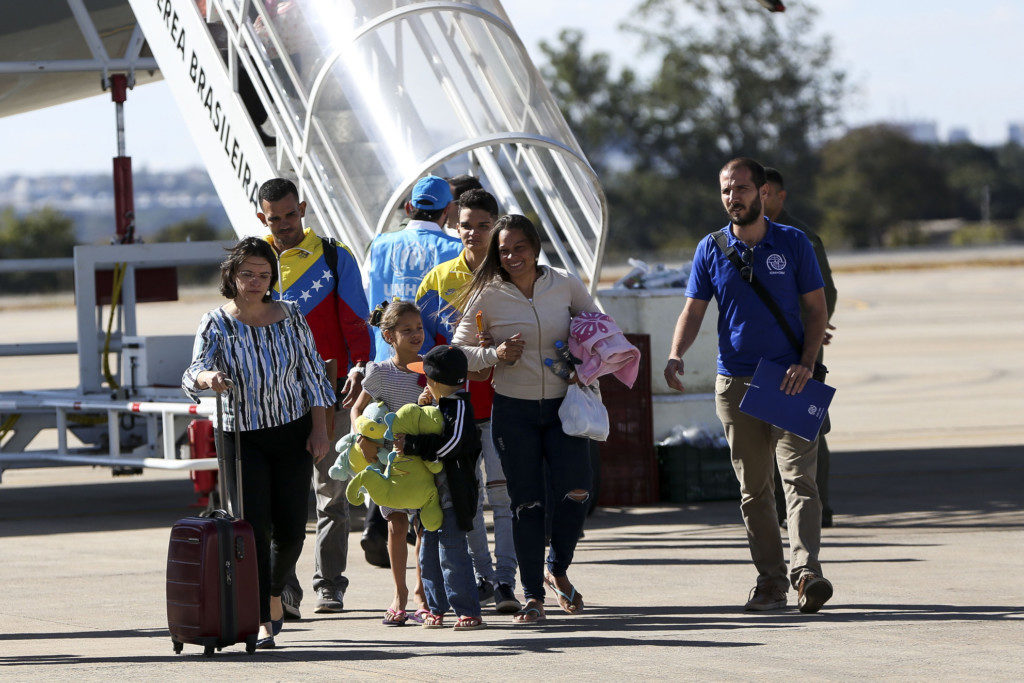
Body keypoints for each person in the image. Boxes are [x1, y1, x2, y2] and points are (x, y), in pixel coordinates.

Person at [663, 157, 833, 614]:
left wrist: (806, 362)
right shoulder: (710, 248)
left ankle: (806, 574)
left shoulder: (793, 243)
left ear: (761, 192)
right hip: (735, 382)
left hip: (789, 380)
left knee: (799, 479)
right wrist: (677, 352)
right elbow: (694, 310)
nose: (732, 197)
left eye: (740, 188)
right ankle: (770, 581)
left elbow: (817, 311)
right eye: (725, 190)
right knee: (754, 490)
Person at [182, 237, 335, 648]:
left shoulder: (291, 314)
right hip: (241, 435)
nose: (255, 282)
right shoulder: (216, 321)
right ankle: (261, 613)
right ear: (231, 275)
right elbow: (195, 368)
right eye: (247, 273)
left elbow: (314, 376)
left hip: (292, 430)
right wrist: (207, 378)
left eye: (264, 275)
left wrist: (320, 429)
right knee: (254, 528)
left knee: (292, 530)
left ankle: (272, 594)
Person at [451, 214, 600, 624]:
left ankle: (558, 568)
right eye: (504, 250)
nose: (512, 256)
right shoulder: (487, 294)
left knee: (577, 491)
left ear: (535, 247)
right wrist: (494, 355)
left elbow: (600, 329)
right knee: (527, 504)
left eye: (520, 247)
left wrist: (581, 362)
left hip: (563, 408)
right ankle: (533, 595)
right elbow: (455, 352)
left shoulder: (565, 282)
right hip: (513, 411)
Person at [258, 177, 371, 618]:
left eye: (291, 214)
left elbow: (356, 322)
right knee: (278, 501)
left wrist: (360, 367)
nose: (285, 224)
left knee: (332, 496)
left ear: (302, 207)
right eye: (275, 218)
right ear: (262, 219)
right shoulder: (254, 260)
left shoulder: (333, 255)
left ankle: (330, 585)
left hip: (331, 392)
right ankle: (283, 588)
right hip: (275, 400)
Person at [416, 188, 521, 613]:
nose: (473, 234)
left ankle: (508, 582)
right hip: (455, 413)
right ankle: (485, 578)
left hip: (507, 405)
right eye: (465, 226)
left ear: (496, 226)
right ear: (452, 226)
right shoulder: (438, 280)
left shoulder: (515, 275)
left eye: (483, 226)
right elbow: (417, 347)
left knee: (504, 499)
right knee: (469, 500)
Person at [763, 167, 838, 528]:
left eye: (767, 194)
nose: (759, 201)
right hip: (763, 347)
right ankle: (780, 508)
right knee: (768, 423)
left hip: (799, 347)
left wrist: (811, 329)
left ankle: (815, 508)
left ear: (781, 197)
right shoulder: (751, 237)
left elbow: (826, 294)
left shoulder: (802, 238)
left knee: (805, 424)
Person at [348, 301, 432, 625]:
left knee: (423, 528)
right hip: (388, 462)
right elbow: (358, 410)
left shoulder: (430, 369)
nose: (416, 335)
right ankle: (398, 593)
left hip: (423, 460)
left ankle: (421, 594)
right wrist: (362, 436)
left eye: (419, 328)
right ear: (388, 336)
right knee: (396, 526)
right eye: (406, 330)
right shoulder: (380, 373)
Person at [398, 344, 484, 630]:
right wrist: (423, 410)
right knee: (427, 554)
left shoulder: (458, 406)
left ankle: (467, 609)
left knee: (452, 552)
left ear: (435, 382)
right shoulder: (436, 407)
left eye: (427, 379)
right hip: (429, 499)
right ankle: (436, 607)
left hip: (453, 497)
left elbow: (451, 444)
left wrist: (412, 445)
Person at [366, 174, 463, 362]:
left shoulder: (380, 244)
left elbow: (365, 297)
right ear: (448, 209)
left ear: (409, 207)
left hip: (385, 360)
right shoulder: (457, 249)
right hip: (435, 364)